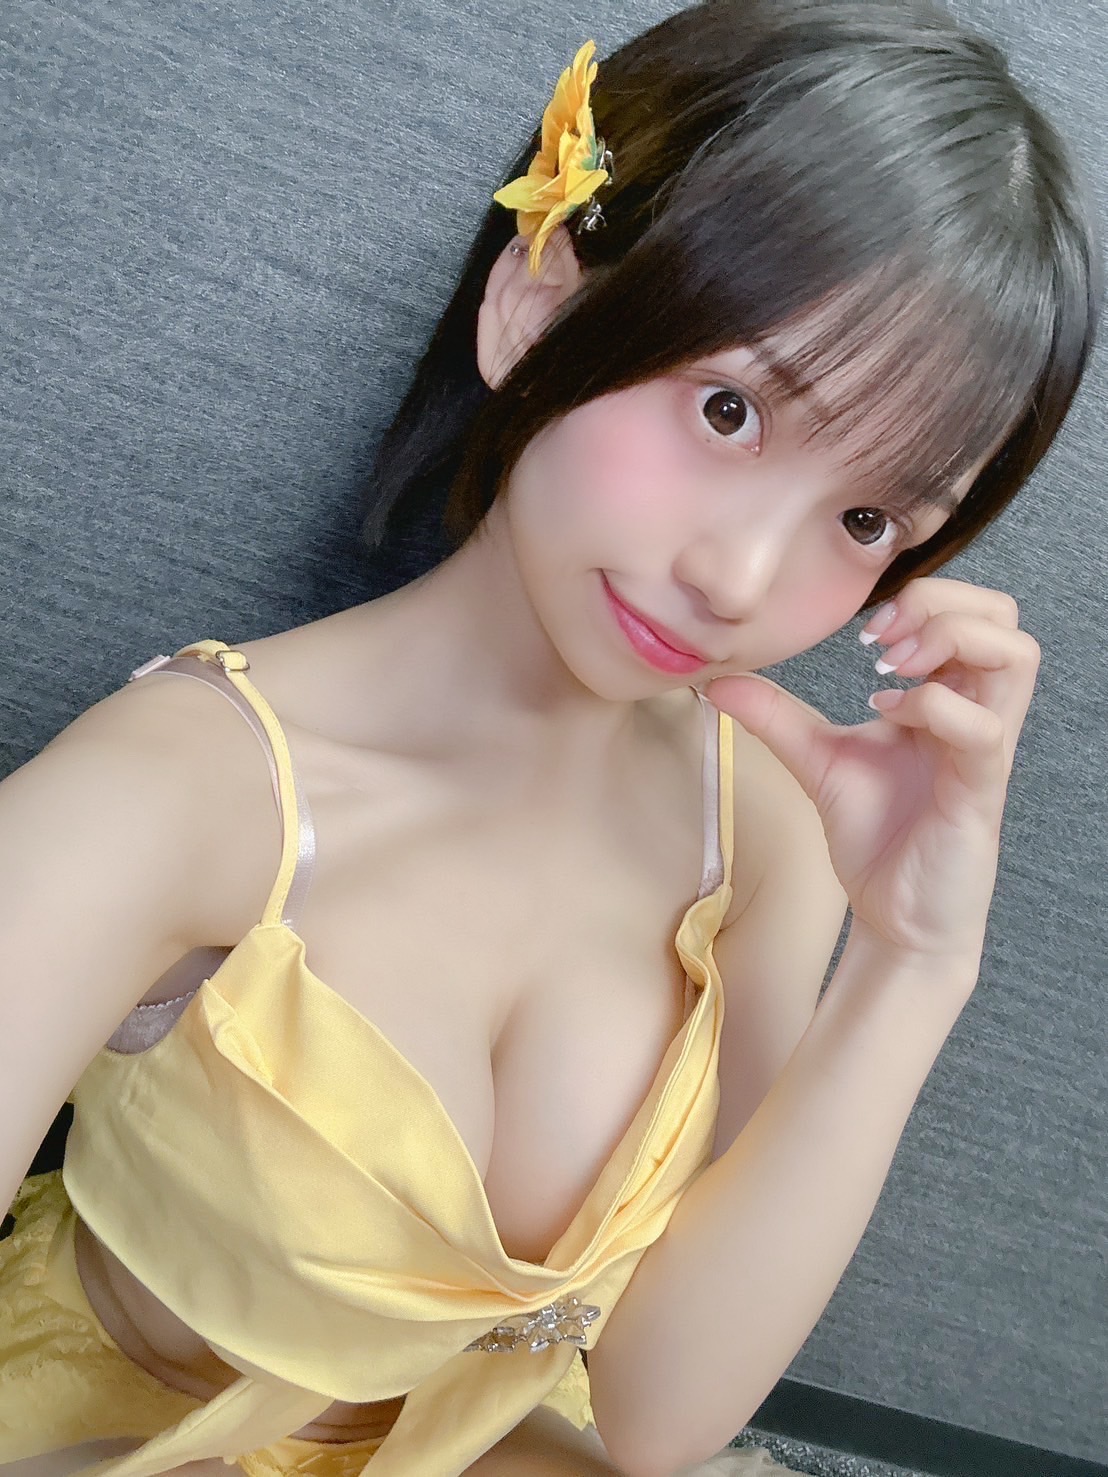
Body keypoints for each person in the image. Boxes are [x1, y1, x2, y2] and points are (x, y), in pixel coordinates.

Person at [0, 1, 1098, 1474]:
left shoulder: (761, 821)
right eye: (729, 409)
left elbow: (658, 1420)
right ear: (536, 304)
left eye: (865, 517)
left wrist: (916, 963)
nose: (740, 582)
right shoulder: (167, 797)